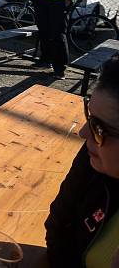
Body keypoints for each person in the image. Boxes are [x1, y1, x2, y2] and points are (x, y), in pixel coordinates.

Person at [46, 55, 119, 267]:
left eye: (100, 127)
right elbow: (58, 225)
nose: (83, 132)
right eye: (89, 114)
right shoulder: (95, 157)